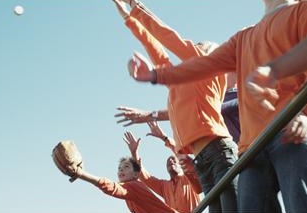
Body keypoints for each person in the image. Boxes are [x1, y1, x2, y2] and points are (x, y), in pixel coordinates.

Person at [126, 0, 307, 212]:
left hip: (290, 132)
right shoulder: (243, 38)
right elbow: (204, 64)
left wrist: (303, 114)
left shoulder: (300, 10)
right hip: (251, 149)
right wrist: (156, 75)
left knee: (299, 204)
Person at [113, 0, 238, 212]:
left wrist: (135, 7)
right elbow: (154, 49)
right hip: (201, 160)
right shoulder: (180, 83)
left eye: (200, 46)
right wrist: (128, 18)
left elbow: (169, 37)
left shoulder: (208, 69)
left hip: (219, 151)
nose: (195, 47)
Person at [123, 127, 201, 213]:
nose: (171, 161)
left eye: (174, 160)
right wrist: (134, 153)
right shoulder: (164, 186)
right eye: (168, 162)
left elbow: (182, 155)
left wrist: (164, 137)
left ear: (180, 164)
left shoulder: (188, 178)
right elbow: (145, 177)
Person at [72, 156, 178, 213]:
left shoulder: (134, 186)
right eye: (119, 168)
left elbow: (111, 187)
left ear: (136, 174)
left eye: (126, 166)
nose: (121, 169)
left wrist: (82, 174)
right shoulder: (128, 192)